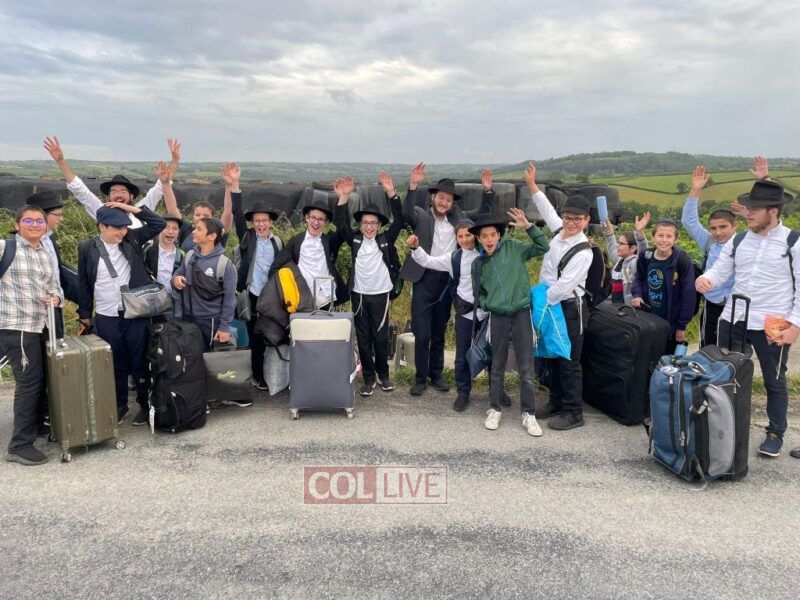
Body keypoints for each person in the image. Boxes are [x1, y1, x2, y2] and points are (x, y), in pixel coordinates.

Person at [696, 179, 799, 458]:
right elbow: (720, 270)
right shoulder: (739, 239)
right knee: (725, 374)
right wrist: (706, 279)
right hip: (734, 317)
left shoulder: (794, 242)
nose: (748, 212)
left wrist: (796, 325)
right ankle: (725, 427)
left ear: (773, 211)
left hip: (774, 323)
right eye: (747, 207)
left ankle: (775, 433)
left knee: (774, 380)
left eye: (754, 208)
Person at [400, 164, 493, 396]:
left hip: (447, 281)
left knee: (439, 333)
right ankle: (420, 378)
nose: (444, 202)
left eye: (448, 200)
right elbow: (406, 213)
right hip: (423, 279)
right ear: (433, 197)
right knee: (422, 334)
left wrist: (487, 191)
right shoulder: (421, 215)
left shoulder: (458, 218)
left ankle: (437, 375)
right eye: (441, 198)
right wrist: (413, 185)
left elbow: (482, 212)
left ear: (453, 203)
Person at [78, 204, 165, 426]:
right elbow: (84, 283)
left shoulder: (132, 239)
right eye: (117, 228)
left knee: (139, 360)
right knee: (114, 362)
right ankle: (120, 404)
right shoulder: (86, 248)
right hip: (106, 314)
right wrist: (85, 314)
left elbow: (159, 224)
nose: (122, 232)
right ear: (102, 227)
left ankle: (145, 404)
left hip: (135, 312)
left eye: (125, 227)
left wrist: (129, 208)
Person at [525, 163, 596, 430]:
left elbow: (564, 287)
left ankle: (573, 412)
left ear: (586, 220)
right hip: (549, 302)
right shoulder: (558, 232)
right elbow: (547, 210)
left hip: (567, 307)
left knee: (568, 359)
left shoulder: (583, 251)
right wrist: (532, 185)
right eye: (568, 218)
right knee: (552, 355)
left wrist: (541, 304)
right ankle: (555, 401)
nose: (570, 223)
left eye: (577, 219)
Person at [471, 209, 549, 434]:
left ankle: (529, 414)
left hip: (522, 313)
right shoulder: (478, 264)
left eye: (492, 235)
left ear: (499, 235)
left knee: (526, 366)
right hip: (497, 317)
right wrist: (488, 304)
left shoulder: (515, 248)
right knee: (497, 365)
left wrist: (529, 227)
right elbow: (479, 293)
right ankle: (494, 409)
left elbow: (543, 246)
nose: (489, 240)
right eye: (484, 236)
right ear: (479, 239)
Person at [332, 173, 404, 396]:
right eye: (365, 223)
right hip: (359, 295)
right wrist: (343, 197)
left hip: (381, 295)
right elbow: (340, 223)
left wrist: (391, 193)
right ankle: (369, 378)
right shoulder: (355, 239)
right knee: (363, 339)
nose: (369, 227)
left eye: (373, 223)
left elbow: (399, 221)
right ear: (360, 224)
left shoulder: (385, 240)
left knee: (380, 338)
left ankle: (384, 375)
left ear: (379, 224)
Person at [0, 205, 61, 465]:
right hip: (17, 327)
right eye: (28, 220)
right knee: (28, 384)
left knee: (41, 379)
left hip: (40, 325)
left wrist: (55, 298)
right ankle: (19, 445)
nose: (35, 225)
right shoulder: (5, 248)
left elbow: (53, 287)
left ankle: (36, 426)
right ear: (17, 225)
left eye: (39, 221)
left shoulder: (44, 253)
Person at [407, 219, 488, 411]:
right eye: (460, 236)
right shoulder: (454, 258)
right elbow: (428, 261)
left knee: (491, 352)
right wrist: (415, 248)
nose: (465, 239)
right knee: (461, 356)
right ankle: (463, 393)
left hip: (488, 313)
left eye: (468, 235)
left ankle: (496, 391)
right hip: (465, 313)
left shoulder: (488, 253)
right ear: (456, 239)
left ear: (476, 235)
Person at [228, 164, 284, 391]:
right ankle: (257, 376)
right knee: (252, 336)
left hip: (270, 296)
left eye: (264, 220)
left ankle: (272, 373)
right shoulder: (248, 237)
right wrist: (235, 184)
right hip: (250, 294)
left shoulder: (277, 242)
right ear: (252, 223)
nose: (260, 224)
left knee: (270, 334)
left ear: (271, 222)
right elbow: (236, 215)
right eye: (257, 221)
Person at [43, 137, 179, 229]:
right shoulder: (103, 211)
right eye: (113, 192)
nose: (118, 195)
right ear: (108, 197)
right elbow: (80, 190)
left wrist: (174, 160)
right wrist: (61, 162)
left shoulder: (142, 210)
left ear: (131, 196)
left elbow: (162, 186)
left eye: (123, 191)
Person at [681, 165, 737, 346]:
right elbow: (688, 222)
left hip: (737, 308)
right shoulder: (709, 241)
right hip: (712, 305)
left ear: (734, 226)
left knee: (735, 350)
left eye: (723, 227)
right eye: (713, 228)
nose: (718, 232)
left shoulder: (744, 244)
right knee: (708, 347)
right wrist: (695, 189)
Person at [269, 189, 349, 310]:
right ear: (307, 218)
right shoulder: (297, 240)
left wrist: (343, 198)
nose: (316, 222)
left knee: (327, 322)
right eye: (313, 218)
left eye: (321, 219)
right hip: (304, 295)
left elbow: (341, 228)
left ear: (325, 222)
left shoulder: (330, 240)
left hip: (327, 294)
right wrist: (278, 290)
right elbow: (276, 265)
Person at [171, 218, 238, 352]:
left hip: (211, 323)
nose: (193, 232)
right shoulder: (190, 256)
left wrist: (224, 327)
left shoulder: (225, 264)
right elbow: (177, 274)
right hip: (188, 320)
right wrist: (176, 280)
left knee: (211, 361)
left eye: (199, 229)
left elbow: (230, 299)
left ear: (212, 236)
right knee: (191, 358)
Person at [631, 219, 696, 355]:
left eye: (669, 236)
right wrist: (637, 295)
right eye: (660, 235)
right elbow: (639, 278)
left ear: (675, 240)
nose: (664, 240)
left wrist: (681, 325)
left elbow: (688, 294)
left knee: (667, 357)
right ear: (653, 237)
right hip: (647, 317)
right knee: (645, 354)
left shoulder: (681, 260)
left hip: (670, 321)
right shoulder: (646, 255)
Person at [602, 212, 649, 305]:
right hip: (615, 306)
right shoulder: (620, 261)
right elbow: (612, 248)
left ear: (633, 248)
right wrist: (609, 232)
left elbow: (643, 253)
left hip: (628, 308)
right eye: (618, 243)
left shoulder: (635, 263)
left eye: (621, 244)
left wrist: (640, 234)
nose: (617, 246)